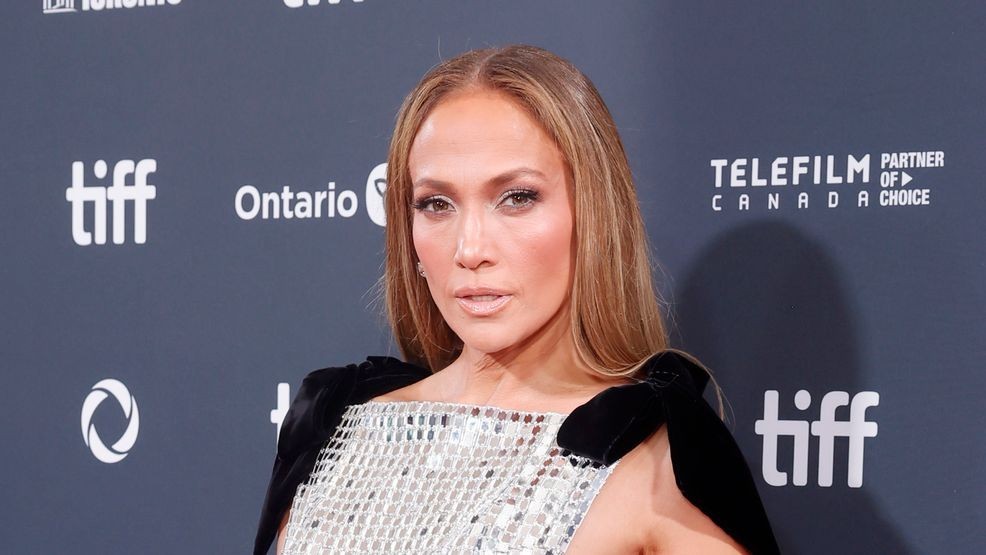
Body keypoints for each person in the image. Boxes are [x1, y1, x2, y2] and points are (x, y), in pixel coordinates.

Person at [254, 44, 779, 554]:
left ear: (593, 215)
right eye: (436, 204)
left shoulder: (658, 465)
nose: (470, 249)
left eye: (518, 197)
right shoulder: (330, 429)